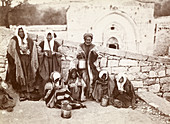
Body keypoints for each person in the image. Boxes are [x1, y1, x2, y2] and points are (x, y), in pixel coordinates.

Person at [5, 26, 39, 101]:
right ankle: (21, 93)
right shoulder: (14, 40)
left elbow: (33, 49)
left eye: (22, 31)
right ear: (17, 32)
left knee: (28, 74)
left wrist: (28, 52)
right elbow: (11, 50)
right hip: (19, 62)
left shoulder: (29, 40)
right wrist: (18, 53)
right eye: (19, 31)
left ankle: (28, 92)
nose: (21, 33)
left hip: (28, 61)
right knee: (20, 75)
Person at [37, 30, 62, 98]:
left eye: (50, 35)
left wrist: (55, 53)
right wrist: (43, 54)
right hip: (45, 62)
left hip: (54, 62)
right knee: (45, 77)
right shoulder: (42, 44)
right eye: (48, 35)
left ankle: (54, 94)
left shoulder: (56, 44)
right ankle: (44, 94)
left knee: (54, 76)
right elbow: (39, 54)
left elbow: (60, 54)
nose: (49, 37)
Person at [76, 33, 99, 99]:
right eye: (87, 40)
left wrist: (94, 54)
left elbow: (97, 56)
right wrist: (80, 55)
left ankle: (90, 94)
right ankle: (84, 94)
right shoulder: (80, 46)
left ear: (91, 40)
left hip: (90, 66)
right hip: (82, 65)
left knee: (91, 78)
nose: (88, 41)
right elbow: (77, 55)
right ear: (84, 39)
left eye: (89, 40)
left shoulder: (94, 47)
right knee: (84, 79)